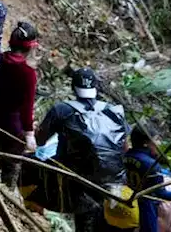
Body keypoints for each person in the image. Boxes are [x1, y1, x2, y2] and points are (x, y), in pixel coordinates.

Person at [36, 67, 131, 232]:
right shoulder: (113, 111)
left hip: (77, 177)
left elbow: (40, 141)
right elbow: (124, 146)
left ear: (73, 88)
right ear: (95, 87)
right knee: (106, 220)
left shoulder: (62, 110)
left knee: (85, 219)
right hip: (113, 177)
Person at [0, 20, 40, 187]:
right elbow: (27, 108)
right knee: (10, 168)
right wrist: (29, 134)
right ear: (31, 47)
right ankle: (6, 198)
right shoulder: (28, 73)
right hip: (13, 127)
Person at [125, 124, 171, 232]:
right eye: (157, 139)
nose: (159, 143)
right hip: (145, 207)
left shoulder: (126, 156)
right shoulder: (152, 165)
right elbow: (163, 195)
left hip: (126, 201)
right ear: (146, 143)